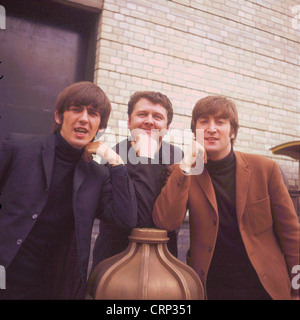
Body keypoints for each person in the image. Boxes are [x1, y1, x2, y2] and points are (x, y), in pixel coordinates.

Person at [152, 95, 300, 300]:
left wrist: (296, 289)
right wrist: (187, 164)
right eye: (204, 122)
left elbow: (291, 236)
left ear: (232, 131)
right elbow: (166, 221)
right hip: (211, 288)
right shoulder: (184, 172)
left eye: (220, 122)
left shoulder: (265, 169)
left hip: (266, 288)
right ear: (195, 131)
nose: (211, 128)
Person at [0, 81, 137, 300]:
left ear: (100, 127)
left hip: (56, 286)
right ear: (59, 116)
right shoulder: (19, 147)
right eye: (76, 109)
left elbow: (125, 218)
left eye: (93, 113)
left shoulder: (97, 175)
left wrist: (117, 163)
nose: (84, 118)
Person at [89, 91, 183, 267]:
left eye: (157, 116)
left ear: (167, 126)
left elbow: (169, 219)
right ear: (129, 122)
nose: (149, 120)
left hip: (163, 266)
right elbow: (137, 219)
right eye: (142, 114)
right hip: (115, 264)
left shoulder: (178, 158)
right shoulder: (111, 156)